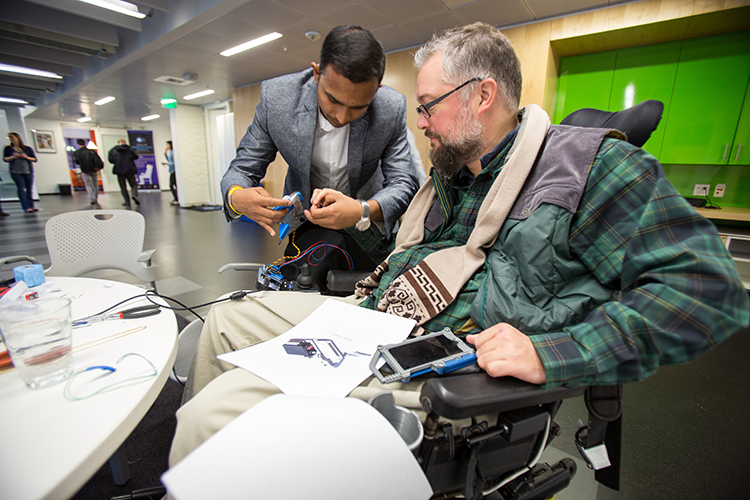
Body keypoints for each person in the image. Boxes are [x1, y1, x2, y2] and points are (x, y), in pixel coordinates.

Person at [168, 22, 749, 467]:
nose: (419, 122)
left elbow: (706, 292)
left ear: (483, 95)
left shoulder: (592, 167)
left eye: (428, 106)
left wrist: (554, 353)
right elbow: (409, 245)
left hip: (444, 354)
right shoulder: (455, 172)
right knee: (223, 322)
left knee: (219, 410)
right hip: (379, 313)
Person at [222, 25, 418, 291]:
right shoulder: (277, 100)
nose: (341, 117)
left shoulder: (390, 107)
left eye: (358, 106)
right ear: (316, 74)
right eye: (333, 99)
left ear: (377, 89)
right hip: (307, 227)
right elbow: (242, 170)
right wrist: (236, 196)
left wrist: (362, 210)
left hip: (366, 229)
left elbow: (404, 183)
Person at [3, 133, 38, 213]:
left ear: (17, 137)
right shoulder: (8, 148)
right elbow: (5, 159)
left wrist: (25, 157)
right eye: (9, 137)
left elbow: (34, 159)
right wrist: (13, 157)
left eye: (12, 137)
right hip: (16, 171)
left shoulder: (27, 148)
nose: (11, 139)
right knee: (21, 188)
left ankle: (31, 205)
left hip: (28, 171)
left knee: (29, 189)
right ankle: (25, 207)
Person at [108, 138, 139, 207]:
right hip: (130, 169)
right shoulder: (130, 149)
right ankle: (134, 194)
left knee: (123, 186)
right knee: (133, 184)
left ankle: (127, 201)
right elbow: (136, 156)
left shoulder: (113, 150)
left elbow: (111, 160)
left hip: (119, 170)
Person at [73, 139, 103, 205]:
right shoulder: (91, 151)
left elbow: (77, 162)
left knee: (88, 184)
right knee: (95, 183)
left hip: (85, 170)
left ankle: (92, 198)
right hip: (93, 169)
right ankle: (96, 197)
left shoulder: (77, 152)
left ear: (78, 144)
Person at [162, 140, 178, 205]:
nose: (166, 146)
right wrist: (165, 154)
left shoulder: (173, 152)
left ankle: (177, 199)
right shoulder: (170, 152)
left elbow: (174, 162)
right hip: (172, 170)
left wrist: (167, 163)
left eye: (167, 145)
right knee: (172, 185)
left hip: (174, 171)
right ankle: (176, 198)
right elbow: (169, 160)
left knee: (172, 185)